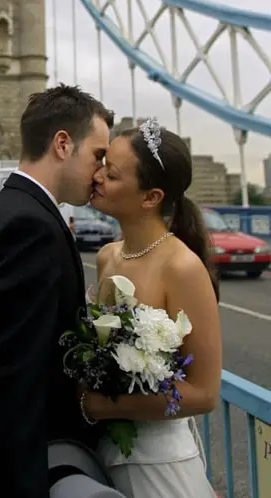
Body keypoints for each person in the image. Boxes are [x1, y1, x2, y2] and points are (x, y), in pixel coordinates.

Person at [0, 84, 114, 498]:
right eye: (98, 155)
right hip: (13, 473)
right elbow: (7, 384)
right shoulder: (29, 227)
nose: (100, 171)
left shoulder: (15, 210)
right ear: (61, 144)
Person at [81, 117, 221, 498]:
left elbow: (204, 394)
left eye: (111, 174)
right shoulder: (107, 257)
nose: (96, 177)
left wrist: (101, 406)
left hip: (160, 467)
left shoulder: (182, 268)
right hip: (102, 454)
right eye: (100, 165)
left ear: (150, 197)